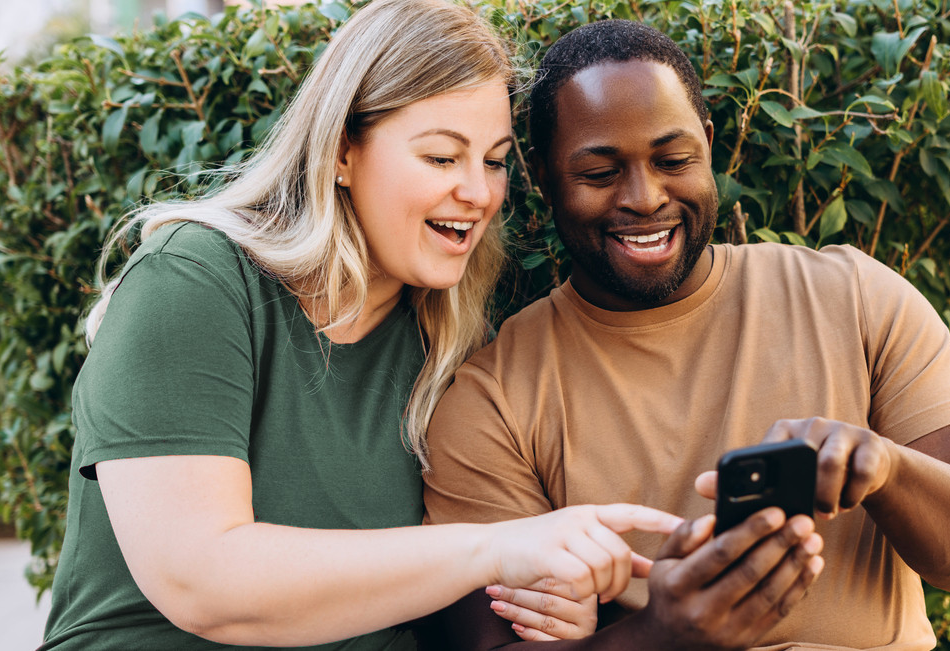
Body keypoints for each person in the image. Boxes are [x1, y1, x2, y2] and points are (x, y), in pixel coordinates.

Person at [36, 3, 685, 650]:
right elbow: (200, 582)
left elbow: (446, 590)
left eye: (492, 160)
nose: (479, 192)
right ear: (343, 149)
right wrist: (495, 547)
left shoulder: (449, 343)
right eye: (440, 157)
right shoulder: (193, 280)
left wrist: (547, 605)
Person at [422, 19, 950, 650]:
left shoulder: (853, 297)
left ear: (710, 147)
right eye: (599, 172)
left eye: (673, 160)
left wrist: (888, 470)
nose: (645, 197)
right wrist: (662, 634)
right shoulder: (493, 399)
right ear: (542, 177)